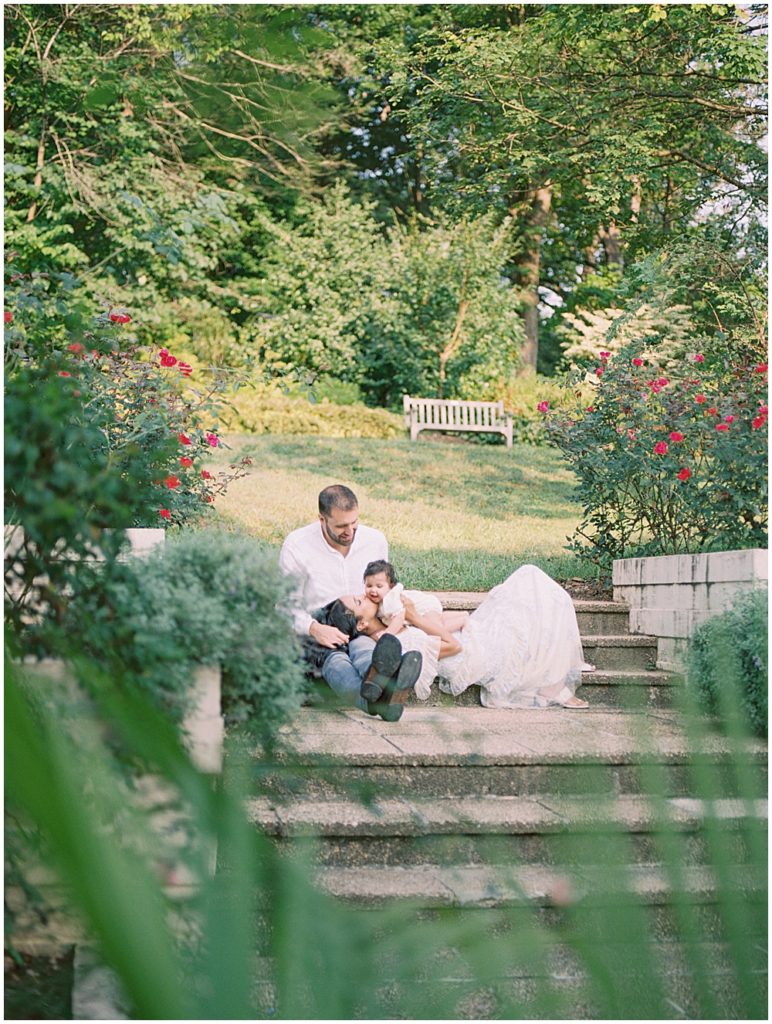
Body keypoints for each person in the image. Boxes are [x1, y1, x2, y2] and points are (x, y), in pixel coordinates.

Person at [279, 485, 421, 721]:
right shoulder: (297, 545)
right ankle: (380, 700)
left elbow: (382, 589)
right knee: (335, 661)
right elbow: (285, 606)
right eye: (341, 526)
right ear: (322, 519)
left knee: (364, 650)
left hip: (360, 623)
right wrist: (315, 628)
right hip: (319, 625)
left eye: (354, 522)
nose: (350, 531)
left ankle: (381, 682)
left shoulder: (375, 540)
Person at [434, 564, 594, 709]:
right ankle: (554, 683)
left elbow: (442, 621)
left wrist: (458, 620)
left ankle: (564, 662)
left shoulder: (413, 614)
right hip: (476, 648)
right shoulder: (415, 628)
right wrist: (460, 620)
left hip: (474, 636)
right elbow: (444, 634)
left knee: (530, 579)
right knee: (531, 583)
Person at [362, 559, 469, 657]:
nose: (373, 590)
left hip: (424, 606)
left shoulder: (390, 600)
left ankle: (462, 620)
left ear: (391, 586)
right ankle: (461, 614)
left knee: (438, 630)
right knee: (436, 620)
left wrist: (388, 633)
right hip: (422, 609)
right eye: (369, 586)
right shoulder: (379, 600)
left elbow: (399, 617)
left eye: (379, 586)